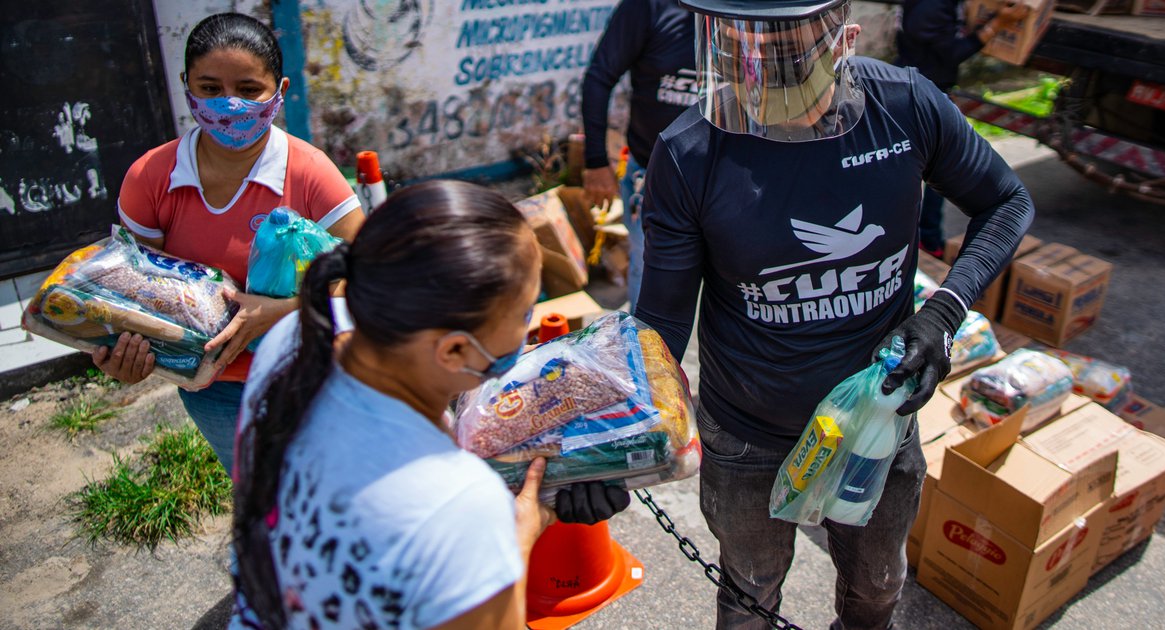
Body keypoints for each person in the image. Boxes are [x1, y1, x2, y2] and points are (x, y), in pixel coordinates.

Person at [634, 1, 1034, 628]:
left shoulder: (904, 106)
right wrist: (613, 437)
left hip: (877, 423)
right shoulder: (690, 152)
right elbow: (659, 326)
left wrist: (942, 314)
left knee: (876, 589)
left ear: (844, 42)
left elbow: (1006, 202)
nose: (764, 95)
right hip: (747, 436)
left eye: (789, 71)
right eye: (745, 65)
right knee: (749, 593)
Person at [230, 180, 628, 628]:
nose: (529, 328)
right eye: (523, 313)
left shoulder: (294, 340)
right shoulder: (463, 508)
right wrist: (518, 539)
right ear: (455, 351)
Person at [91, 12, 365, 474]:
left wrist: (285, 311)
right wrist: (126, 352)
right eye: (211, 88)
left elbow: (368, 276)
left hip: (314, 376)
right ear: (187, 86)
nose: (229, 104)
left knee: (333, 493)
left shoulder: (311, 173)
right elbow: (133, 289)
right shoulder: (151, 179)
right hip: (217, 391)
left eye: (248, 89)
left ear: (279, 91)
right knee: (260, 499)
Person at [582, 0, 697, 311]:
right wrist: (595, 162)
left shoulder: (743, 9)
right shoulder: (649, 6)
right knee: (648, 276)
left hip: (725, 180)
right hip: (651, 178)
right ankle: (643, 357)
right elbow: (599, 77)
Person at [895, 0, 1030, 257]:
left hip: (927, 86)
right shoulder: (933, 6)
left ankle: (924, 238)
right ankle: (924, 239)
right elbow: (952, 53)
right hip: (921, 92)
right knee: (936, 164)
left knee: (930, 163)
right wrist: (997, 24)